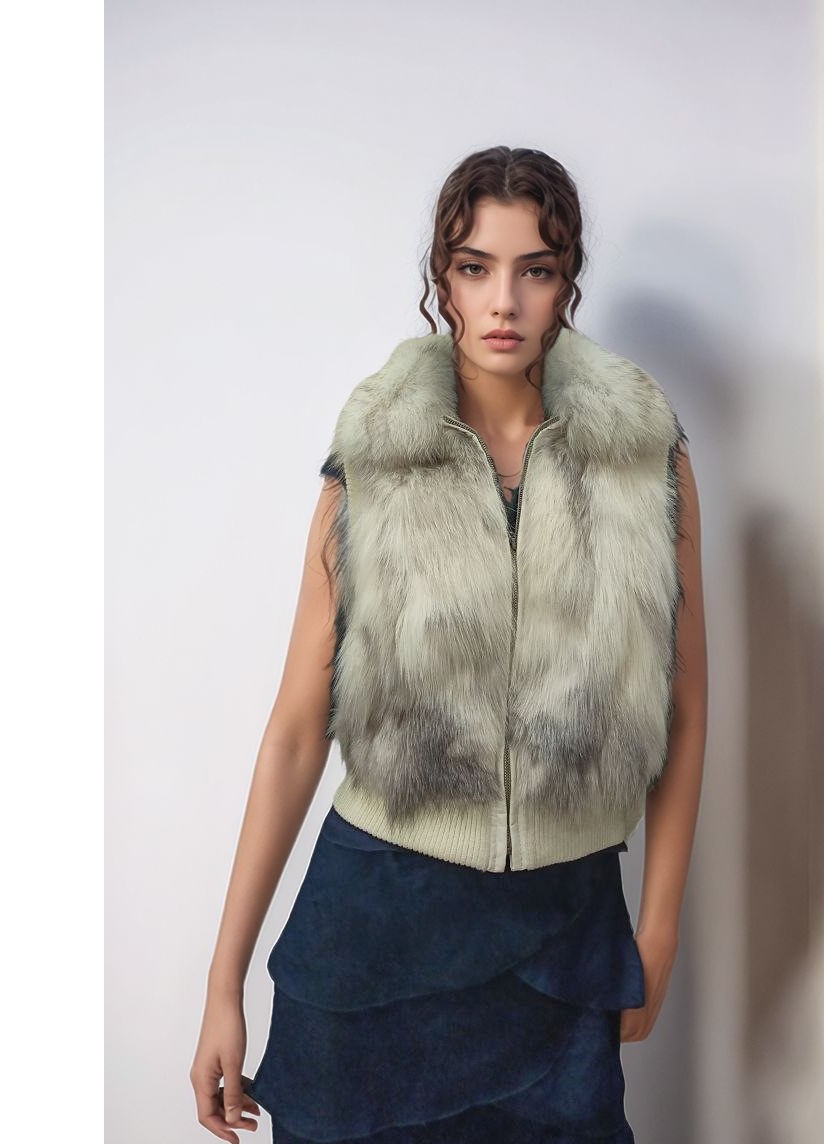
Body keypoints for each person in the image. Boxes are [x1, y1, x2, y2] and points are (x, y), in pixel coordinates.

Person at [190, 145, 707, 1144]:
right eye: (476, 267)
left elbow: (683, 711)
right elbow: (296, 734)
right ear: (443, 278)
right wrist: (224, 983)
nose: (503, 300)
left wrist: (660, 923)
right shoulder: (371, 470)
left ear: (566, 280)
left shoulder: (645, 464)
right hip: (372, 938)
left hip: (562, 939)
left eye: (534, 268)